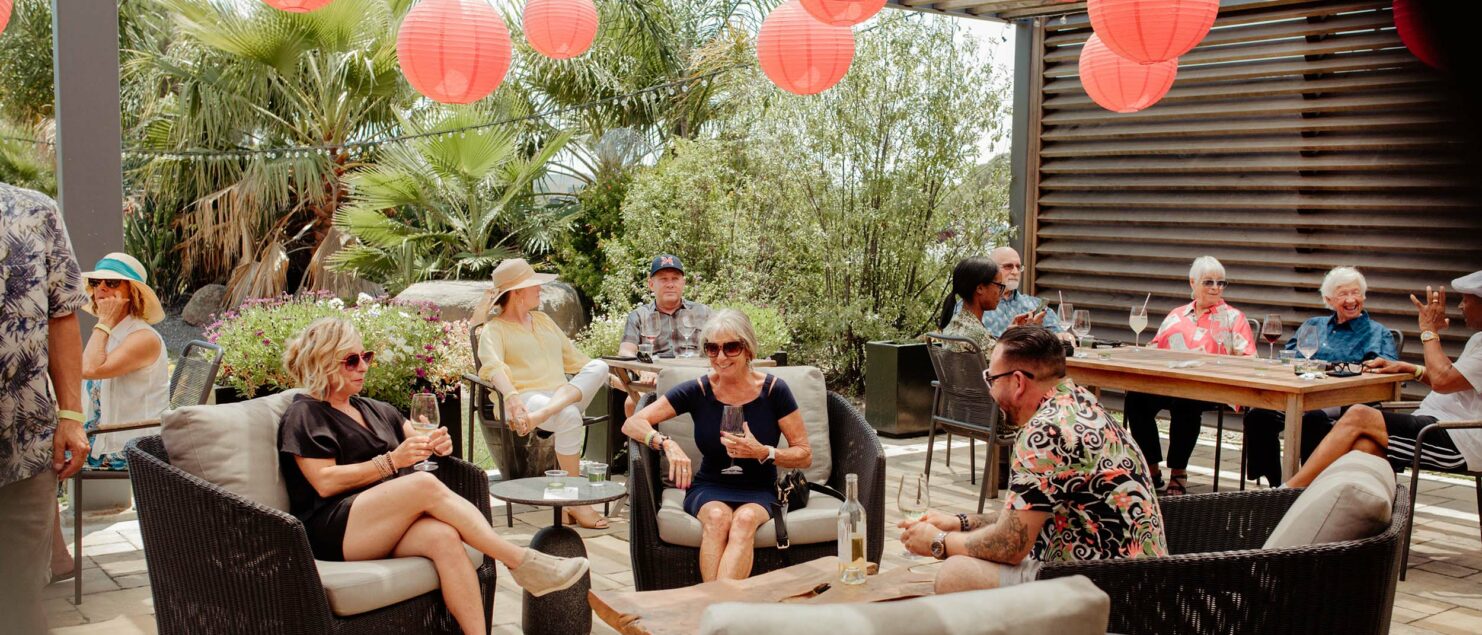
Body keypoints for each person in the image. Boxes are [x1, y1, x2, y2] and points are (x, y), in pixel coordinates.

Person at [278, 318, 588, 635]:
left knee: (444, 539)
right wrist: (390, 461)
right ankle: (520, 562)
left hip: (382, 524)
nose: (363, 367)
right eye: (352, 360)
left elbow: (420, 441)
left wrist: (439, 444)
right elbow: (325, 481)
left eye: (366, 356)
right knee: (423, 485)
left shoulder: (375, 409)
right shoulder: (305, 414)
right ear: (324, 363)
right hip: (334, 529)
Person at [899, 326, 1166, 592]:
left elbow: (1010, 545)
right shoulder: (1080, 402)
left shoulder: (1045, 433)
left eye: (991, 380)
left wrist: (939, 541)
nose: (990, 392)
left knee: (955, 574)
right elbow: (1025, 517)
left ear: (1018, 382)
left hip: (1106, 592)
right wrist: (961, 523)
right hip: (1139, 582)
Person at [622, 309, 812, 582]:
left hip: (759, 486)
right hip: (710, 484)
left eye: (731, 347)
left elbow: (804, 454)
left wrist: (764, 452)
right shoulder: (699, 390)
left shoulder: (773, 391)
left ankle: (712, 611)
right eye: (712, 349)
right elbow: (632, 424)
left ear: (748, 350)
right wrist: (666, 444)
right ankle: (720, 612)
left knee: (745, 520)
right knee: (716, 517)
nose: (720, 358)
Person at [1283, 272, 1482, 488]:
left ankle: (1289, 493)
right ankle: (1329, 505)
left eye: (1466, 300)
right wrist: (1410, 368)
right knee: (1362, 445)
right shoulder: (1478, 339)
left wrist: (1429, 331)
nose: (1460, 306)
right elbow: (1456, 381)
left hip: (1459, 440)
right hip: (1434, 424)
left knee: (1359, 414)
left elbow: (1443, 380)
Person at [46, 253, 171, 583]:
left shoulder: (141, 337)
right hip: (109, 433)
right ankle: (53, 554)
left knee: (41, 461)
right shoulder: (116, 332)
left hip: (131, 444)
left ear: (132, 293)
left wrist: (101, 323)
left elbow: (88, 368)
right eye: (95, 282)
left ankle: (54, 557)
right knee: (38, 447)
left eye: (112, 283)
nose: (100, 289)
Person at [0, 183, 91, 635]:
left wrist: (72, 417)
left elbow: (63, 316)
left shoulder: (34, 211)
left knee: (21, 597)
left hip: (25, 447)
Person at [474, 258, 611, 528]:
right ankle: (575, 503)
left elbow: (578, 361)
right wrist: (511, 397)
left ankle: (546, 414)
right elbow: (493, 368)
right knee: (570, 415)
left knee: (601, 365)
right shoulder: (494, 329)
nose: (540, 289)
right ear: (517, 293)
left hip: (552, 401)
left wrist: (617, 381)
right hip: (526, 399)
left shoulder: (544, 320)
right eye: (534, 284)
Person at [1242, 266, 1399, 486]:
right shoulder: (1313, 325)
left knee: (1313, 419)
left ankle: (1307, 485)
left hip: (1341, 403)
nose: (1351, 299)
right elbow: (1288, 359)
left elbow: (1384, 371)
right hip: (1298, 395)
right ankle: (1277, 485)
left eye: (1356, 292)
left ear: (1364, 296)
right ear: (1329, 299)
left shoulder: (1377, 333)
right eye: (1343, 294)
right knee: (1258, 416)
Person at [1125, 256, 1256, 495]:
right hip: (1170, 382)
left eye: (1221, 282)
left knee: (1186, 400)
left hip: (1211, 387)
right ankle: (1152, 469)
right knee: (1136, 397)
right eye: (1208, 282)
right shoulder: (1176, 314)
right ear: (1192, 283)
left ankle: (1178, 472)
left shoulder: (1233, 317)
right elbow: (1154, 348)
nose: (1216, 288)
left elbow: (1249, 359)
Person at [616, 254, 713, 416]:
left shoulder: (703, 312)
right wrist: (644, 369)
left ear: (683, 283)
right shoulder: (639, 316)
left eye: (675, 279)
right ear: (651, 284)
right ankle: (642, 441)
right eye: (663, 279)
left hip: (696, 377)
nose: (670, 284)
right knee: (631, 403)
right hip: (655, 380)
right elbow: (625, 352)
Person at [976, 247, 1065, 337]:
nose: (1015, 272)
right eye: (1008, 266)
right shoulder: (977, 305)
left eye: (1018, 267)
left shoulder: (1035, 304)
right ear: (990, 270)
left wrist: (1065, 336)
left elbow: (1058, 334)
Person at [936, 257, 1006, 360]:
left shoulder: (954, 323)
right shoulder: (976, 335)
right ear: (980, 288)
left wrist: (1010, 333)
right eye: (999, 286)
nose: (1001, 293)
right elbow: (1006, 366)